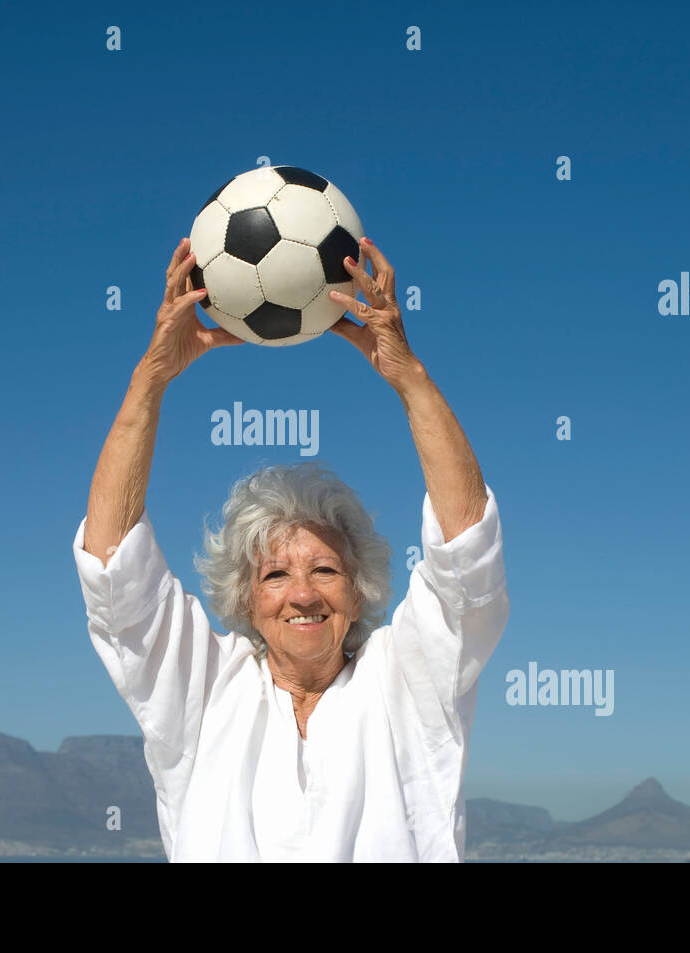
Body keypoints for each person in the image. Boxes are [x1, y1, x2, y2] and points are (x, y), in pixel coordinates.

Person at [73, 236, 510, 861]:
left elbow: (468, 552)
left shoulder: (408, 681)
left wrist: (408, 378)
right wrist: (152, 378)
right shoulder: (202, 688)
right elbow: (112, 565)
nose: (302, 594)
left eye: (326, 569)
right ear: (246, 600)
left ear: (359, 595)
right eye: (275, 574)